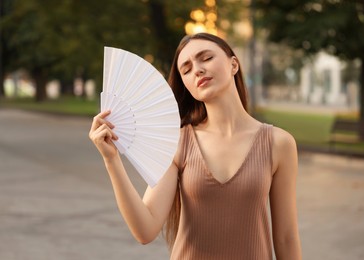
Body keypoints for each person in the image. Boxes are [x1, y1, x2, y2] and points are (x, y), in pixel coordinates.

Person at [89, 32, 302, 260]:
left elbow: (286, 237)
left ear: (234, 64)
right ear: (187, 85)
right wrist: (111, 160)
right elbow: (145, 229)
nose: (197, 70)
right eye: (186, 69)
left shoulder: (279, 143)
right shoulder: (178, 142)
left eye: (206, 58)